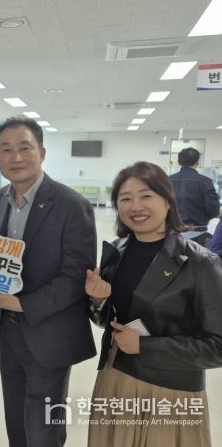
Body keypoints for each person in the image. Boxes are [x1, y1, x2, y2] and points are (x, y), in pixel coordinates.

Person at [0, 116, 97, 447]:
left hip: (50, 333)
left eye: (24, 148)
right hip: (8, 330)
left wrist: (23, 303)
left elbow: (76, 277)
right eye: (5, 150)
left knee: (44, 429)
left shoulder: (72, 205)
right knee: (15, 420)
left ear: (41, 153)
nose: (15, 157)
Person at [86, 161, 222, 446]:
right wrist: (98, 300)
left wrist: (144, 346)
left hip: (170, 389)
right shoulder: (116, 252)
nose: (135, 206)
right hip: (115, 377)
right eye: (125, 198)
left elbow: (218, 346)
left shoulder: (200, 262)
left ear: (167, 201)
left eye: (146, 196)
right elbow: (109, 321)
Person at [170, 147, 220, 230]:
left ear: (179, 162)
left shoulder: (168, 180)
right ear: (197, 162)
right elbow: (213, 210)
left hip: (173, 229)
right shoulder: (205, 181)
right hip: (198, 230)